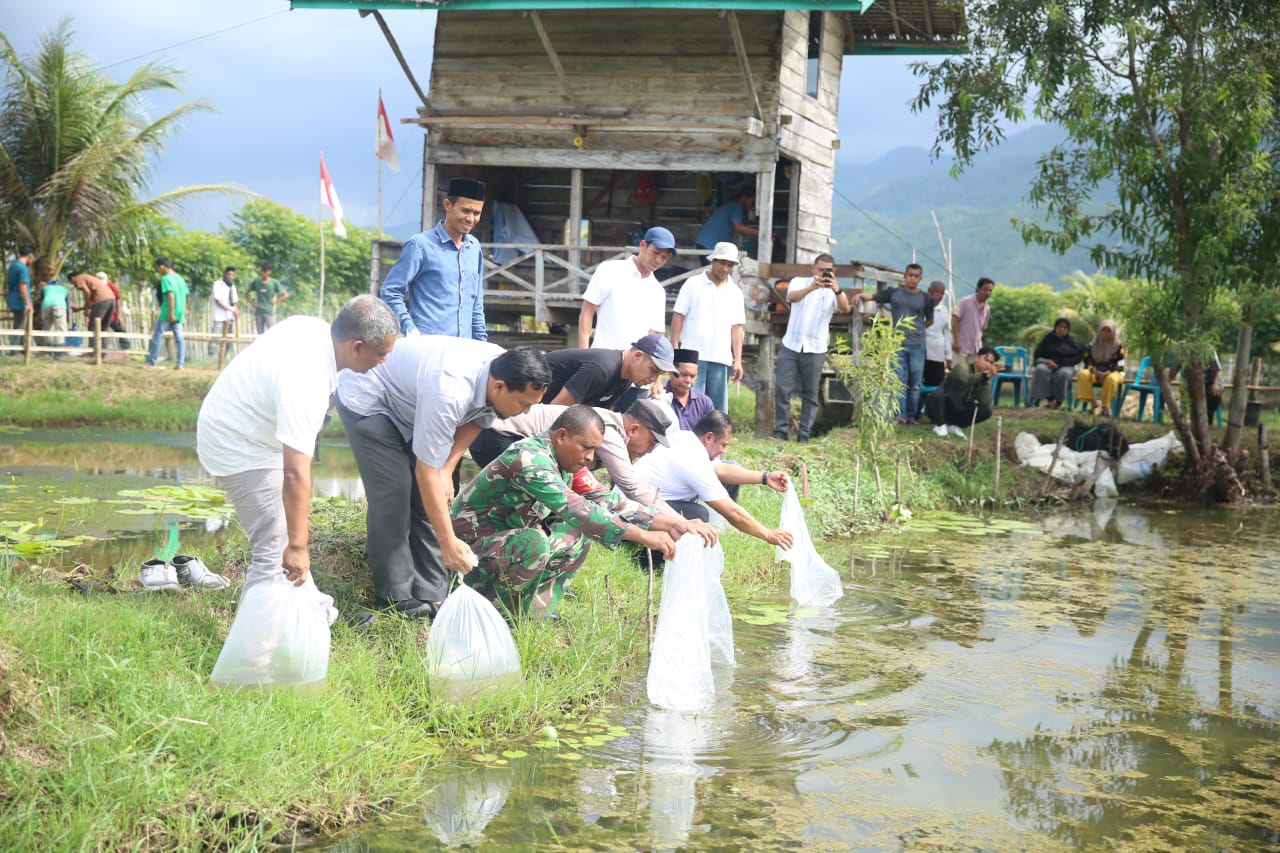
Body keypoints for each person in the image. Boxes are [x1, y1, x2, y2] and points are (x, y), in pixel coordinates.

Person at [195, 295, 399, 625]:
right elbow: (295, 474)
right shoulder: (307, 378)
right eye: (381, 354)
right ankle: (254, 645)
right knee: (275, 552)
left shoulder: (315, 330)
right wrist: (299, 546)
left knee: (285, 538)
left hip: (256, 429)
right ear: (357, 347)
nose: (384, 361)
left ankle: (322, 616)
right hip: (238, 442)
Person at [336, 338, 551, 618]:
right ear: (499, 387)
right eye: (523, 403)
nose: (527, 412)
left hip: (413, 404)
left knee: (424, 497)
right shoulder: (450, 392)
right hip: (370, 395)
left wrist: (448, 468)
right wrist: (448, 542)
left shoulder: (504, 369)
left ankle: (432, 593)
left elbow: (479, 419)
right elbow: (425, 472)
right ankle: (394, 597)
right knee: (394, 492)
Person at [453, 405, 705, 619]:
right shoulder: (529, 459)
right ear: (562, 436)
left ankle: (529, 616)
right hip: (466, 554)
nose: (590, 458)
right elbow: (578, 510)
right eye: (586, 447)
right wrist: (642, 535)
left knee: (575, 536)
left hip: (502, 544)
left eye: (594, 450)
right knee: (535, 543)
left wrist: (671, 524)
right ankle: (493, 613)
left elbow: (607, 499)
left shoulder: (565, 462)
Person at [472, 398, 693, 517]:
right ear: (634, 429)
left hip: (497, 437)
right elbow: (632, 486)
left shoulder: (608, 428)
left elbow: (595, 490)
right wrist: (677, 521)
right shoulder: (610, 432)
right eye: (651, 442)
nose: (650, 450)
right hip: (499, 437)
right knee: (549, 508)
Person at [637, 410, 795, 550]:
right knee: (696, 515)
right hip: (640, 514)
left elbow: (722, 469)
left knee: (694, 513)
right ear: (709, 437)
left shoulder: (684, 438)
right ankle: (654, 556)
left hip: (634, 502)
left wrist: (765, 477)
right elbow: (733, 513)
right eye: (723, 445)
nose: (723, 451)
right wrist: (768, 534)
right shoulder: (694, 461)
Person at [380, 177, 488, 340]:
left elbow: (476, 305)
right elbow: (390, 291)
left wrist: (482, 344)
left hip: (464, 349)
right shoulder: (420, 245)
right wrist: (411, 330)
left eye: (476, 213)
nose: (471, 218)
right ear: (447, 205)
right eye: (465, 211)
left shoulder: (474, 248)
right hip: (428, 347)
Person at [773, 254, 850, 442]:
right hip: (791, 344)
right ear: (813, 268)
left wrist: (836, 289)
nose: (823, 273)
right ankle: (781, 432)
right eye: (820, 269)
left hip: (816, 347)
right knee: (782, 388)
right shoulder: (799, 282)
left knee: (810, 392)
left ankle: (804, 435)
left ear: (834, 271)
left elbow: (845, 308)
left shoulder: (835, 290)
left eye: (827, 270)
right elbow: (791, 297)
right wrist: (812, 287)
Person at [669, 242, 745, 411]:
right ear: (713, 261)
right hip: (692, 356)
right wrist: (674, 348)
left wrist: (738, 360)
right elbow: (679, 316)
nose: (725, 268)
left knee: (717, 411)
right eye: (722, 263)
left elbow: (737, 328)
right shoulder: (693, 284)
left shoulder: (735, 292)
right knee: (689, 405)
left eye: (729, 265)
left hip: (721, 357)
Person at [857, 263, 932, 424]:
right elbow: (874, 296)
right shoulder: (894, 294)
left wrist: (918, 330)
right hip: (897, 343)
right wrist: (859, 296)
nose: (912, 279)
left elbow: (929, 319)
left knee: (915, 383)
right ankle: (899, 415)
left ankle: (911, 415)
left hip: (917, 345)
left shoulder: (925, 298)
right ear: (905, 276)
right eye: (910, 275)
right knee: (899, 380)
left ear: (920, 278)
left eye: (916, 276)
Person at [577, 226, 675, 350]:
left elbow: (653, 334)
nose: (658, 260)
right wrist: (583, 354)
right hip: (603, 355)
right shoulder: (609, 270)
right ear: (643, 245)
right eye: (655, 252)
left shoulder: (658, 291)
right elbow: (587, 311)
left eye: (664, 257)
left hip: (635, 359)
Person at [542, 333, 675, 411]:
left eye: (660, 374)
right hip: (535, 406)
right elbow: (555, 410)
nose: (654, 379)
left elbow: (596, 416)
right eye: (654, 370)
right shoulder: (602, 369)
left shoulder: (626, 380)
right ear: (637, 356)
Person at [925, 346, 999, 438]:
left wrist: (985, 380)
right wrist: (983, 376)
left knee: (986, 411)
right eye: (986, 360)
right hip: (943, 405)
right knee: (937, 395)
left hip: (959, 408)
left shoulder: (985, 377)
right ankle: (940, 425)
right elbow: (964, 379)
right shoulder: (962, 366)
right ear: (977, 357)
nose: (988, 365)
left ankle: (955, 426)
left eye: (991, 363)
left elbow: (985, 401)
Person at [1030, 318, 1085, 408]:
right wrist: (1046, 361)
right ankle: (1050, 400)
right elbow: (1037, 356)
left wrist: (1061, 364)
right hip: (1048, 364)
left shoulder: (1072, 342)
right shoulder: (1048, 339)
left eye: (1065, 328)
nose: (1062, 329)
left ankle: (1058, 402)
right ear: (1055, 327)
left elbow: (1080, 354)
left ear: (1068, 330)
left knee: (1063, 374)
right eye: (1059, 326)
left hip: (1066, 366)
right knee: (1040, 369)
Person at [144, 257, 189, 370]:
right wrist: (183, 314)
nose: (159, 271)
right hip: (179, 312)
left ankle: (152, 362)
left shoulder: (166, 278)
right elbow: (184, 297)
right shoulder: (180, 278)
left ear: (162, 266)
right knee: (179, 338)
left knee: (157, 336)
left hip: (168, 312)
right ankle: (180, 364)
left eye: (158, 268)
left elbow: (170, 295)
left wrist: (171, 313)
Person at [1076, 320, 1126, 415]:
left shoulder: (1118, 346)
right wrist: (1094, 370)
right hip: (1095, 372)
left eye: (1108, 331)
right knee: (1082, 374)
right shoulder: (1092, 345)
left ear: (1113, 332)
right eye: (1103, 330)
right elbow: (1087, 361)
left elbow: (1120, 365)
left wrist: (1107, 372)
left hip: (1113, 373)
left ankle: (1105, 407)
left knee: (1111, 379)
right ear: (1099, 331)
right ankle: (1092, 402)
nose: (1105, 333)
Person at [663, 347, 714, 430]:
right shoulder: (660, 399)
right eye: (683, 375)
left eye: (693, 376)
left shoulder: (705, 402)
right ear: (670, 372)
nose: (688, 380)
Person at [694, 185, 758, 251]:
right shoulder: (736, 206)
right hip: (709, 244)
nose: (752, 206)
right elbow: (738, 227)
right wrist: (760, 233)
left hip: (705, 243)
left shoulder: (731, 205)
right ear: (744, 197)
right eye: (752, 202)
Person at [952, 277, 995, 357]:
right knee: (959, 366)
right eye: (985, 290)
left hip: (976, 350)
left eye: (990, 290)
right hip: (961, 348)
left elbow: (981, 330)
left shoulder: (987, 308)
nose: (987, 293)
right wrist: (956, 341)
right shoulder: (965, 301)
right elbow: (955, 319)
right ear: (978, 289)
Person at [924, 280, 952, 387]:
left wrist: (948, 355)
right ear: (929, 291)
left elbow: (947, 334)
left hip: (938, 354)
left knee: (936, 384)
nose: (939, 295)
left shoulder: (944, 311)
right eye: (937, 292)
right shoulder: (921, 307)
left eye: (942, 293)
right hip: (922, 351)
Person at [70, 270, 116, 336]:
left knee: (93, 326)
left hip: (102, 300)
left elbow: (87, 293)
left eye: (72, 283)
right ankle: (104, 343)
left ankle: (93, 343)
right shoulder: (91, 282)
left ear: (72, 278)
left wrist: (86, 310)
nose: (75, 286)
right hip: (112, 299)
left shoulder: (78, 278)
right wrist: (80, 309)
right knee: (104, 328)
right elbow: (95, 305)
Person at [37, 260, 68, 353]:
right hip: (59, 306)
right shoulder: (64, 289)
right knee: (60, 327)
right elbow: (68, 303)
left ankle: (46, 349)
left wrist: (39, 314)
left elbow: (39, 300)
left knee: (47, 326)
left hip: (46, 305)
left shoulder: (45, 288)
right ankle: (59, 351)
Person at [248, 262, 288, 334]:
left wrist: (275, 302)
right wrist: (252, 303)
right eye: (262, 271)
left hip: (269, 311)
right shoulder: (257, 282)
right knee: (260, 334)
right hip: (259, 312)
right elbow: (247, 293)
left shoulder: (274, 282)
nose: (263, 273)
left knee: (272, 333)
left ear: (269, 272)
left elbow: (285, 295)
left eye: (265, 271)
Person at [209, 267, 240, 357]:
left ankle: (224, 357)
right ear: (225, 274)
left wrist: (236, 311)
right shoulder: (217, 284)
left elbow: (235, 302)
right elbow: (218, 301)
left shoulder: (233, 286)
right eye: (229, 274)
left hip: (230, 317)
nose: (230, 277)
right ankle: (211, 357)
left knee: (228, 338)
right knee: (216, 337)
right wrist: (231, 309)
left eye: (232, 275)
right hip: (220, 316)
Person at [7, 244, 36, 339]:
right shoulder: (23, 269)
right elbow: (23, 286)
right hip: (20, 302)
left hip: (12, 299)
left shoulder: (13, 266)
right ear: (30, 255)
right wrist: (28, 304)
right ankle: (14, 348)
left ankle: (21, 347)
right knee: (19, 328)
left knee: (20, 327)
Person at [97, 271, 131, 350]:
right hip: (101, 316)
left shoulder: (111, 287)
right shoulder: (95, 288)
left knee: (120, 330)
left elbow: (118, 301)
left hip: (113, 316)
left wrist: (119, 315)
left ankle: (125, 349)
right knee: (101, 332)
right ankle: (102, 349)